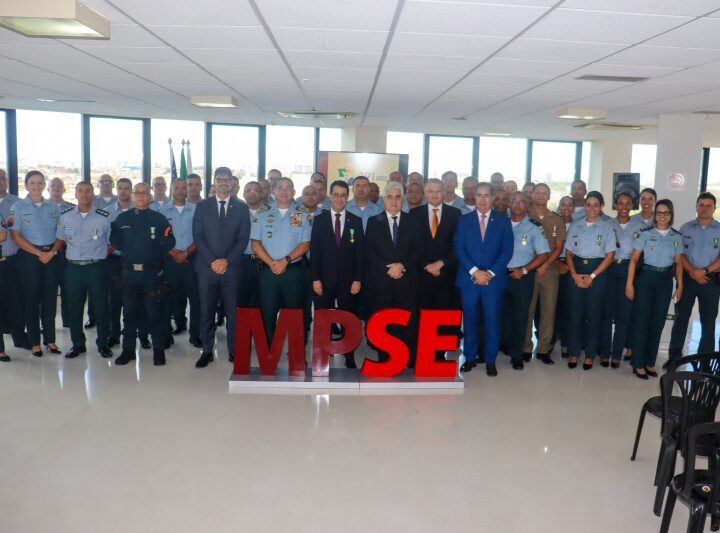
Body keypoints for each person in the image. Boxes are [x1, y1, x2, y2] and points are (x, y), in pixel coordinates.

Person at [110, 183, 176, 367]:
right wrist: (132, 251)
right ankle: (128, 350)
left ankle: (158, 351)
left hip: (151, 275)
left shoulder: (159, 219)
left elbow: (169, 241)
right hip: (129, 274)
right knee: (129, 314)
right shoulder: (122, 218)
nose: (140, 196)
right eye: (137, 193)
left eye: (144, 193)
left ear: (150, 196)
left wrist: (153, 253)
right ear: (132, 196)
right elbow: (115, 240)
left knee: (154, 314)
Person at [193, 167, 251, 368]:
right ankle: (207, 350)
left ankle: (234, 349)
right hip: (206, 269)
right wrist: (213, 261)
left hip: (232, 269)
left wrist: (226, 261)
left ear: (232, 183)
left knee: (233, 313)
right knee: (206, 311)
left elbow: (243, 239)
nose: (223, 182)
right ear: (214, 183)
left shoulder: (241, 208)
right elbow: (198, 236)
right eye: (219, 179)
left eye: (226, 179)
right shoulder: (202, 206)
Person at [455, 182, 513, 376]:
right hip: (469, 280)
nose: (482, 199)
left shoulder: (503, 221)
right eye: (479, 195)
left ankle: (490, 360)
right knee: (470, 321)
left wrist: (489, 273)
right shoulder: (464, 221)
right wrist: (474, 271)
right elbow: (459, 249)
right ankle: (470, 357)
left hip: (493, 281)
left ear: (492, 198)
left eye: (486, 195)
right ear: (474, 197)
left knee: (492, 321)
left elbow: (507, 251)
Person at [364, 182, 421, 366]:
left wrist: (402, 265)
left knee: (408, 323)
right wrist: (388, 268)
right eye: (390, 197)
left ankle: (409, 360)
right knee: (384, 323)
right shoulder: (373, 222)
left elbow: (418, 250)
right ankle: (386, 360)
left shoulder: (413, 221)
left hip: (407, 281)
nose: (394, 201)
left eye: (397, 197)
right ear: (383, 199)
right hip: (382, 282)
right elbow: (369, 251)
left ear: (402, 199)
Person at [251, 177, 311, 351]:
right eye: (281, 188)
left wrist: (285, 261)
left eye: (288, 188)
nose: (284, 192)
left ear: (294, 192)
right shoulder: (262, 213)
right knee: (268, 312)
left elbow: (305, 244)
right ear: (274, 191)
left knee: (295, 313)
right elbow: (255, 244)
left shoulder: (302, 213)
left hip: (293, 271)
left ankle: (296, 352)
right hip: (268, 272)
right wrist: (272, 263)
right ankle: (268, 352)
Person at [626, 200, 683, 379]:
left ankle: (650, 362)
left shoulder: (676, 237)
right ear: (654, 215)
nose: (662, 216)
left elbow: (679, 263)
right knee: (642, 321)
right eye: (659, 212)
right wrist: (629, 283)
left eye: (666, 212)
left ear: (671, 215)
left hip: (665, 280)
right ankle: (638, 364)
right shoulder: (645, 234)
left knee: (658, 323)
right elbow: (634, 260)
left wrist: (680, 285)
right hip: (646, 279)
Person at [55, 182, 112, 359]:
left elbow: (111, 243)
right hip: (73, 269)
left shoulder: (104, 217)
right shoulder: (66, 217)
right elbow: (61, 239)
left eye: (88, 191)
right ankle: (78, 344)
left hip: (96, 267)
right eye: (80, 191)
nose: (84, 194)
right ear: (75, 194)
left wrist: (99, 254)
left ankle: (102, 344)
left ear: (93, 194)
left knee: (101, 307)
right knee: (74, 307)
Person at [8, 171, 63, 357]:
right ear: (26, 185)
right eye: (32, 183)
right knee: (31, 300)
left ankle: (50, 340)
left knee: (50, 299)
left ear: (44, 185)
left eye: (40, 182)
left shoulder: (53, 206)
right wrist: (39, 253)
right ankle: (34, 342)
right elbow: (16, 236)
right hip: (30, 257)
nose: (36, 186)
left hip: (51, 257)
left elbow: (61, 234)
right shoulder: (18, 207)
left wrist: (52, 252)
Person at [310, 180, 364, 368]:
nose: (339, 199)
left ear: (347, 197)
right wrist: (315, 278)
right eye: (336, 195)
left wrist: (358, 278)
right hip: (324, 280)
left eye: (343, 195)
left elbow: (360, 253)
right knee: (323, 319)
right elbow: (315, 252)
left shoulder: (355, 221)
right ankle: (322, 355)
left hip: (348, 281)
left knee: (349, 318)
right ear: (330, 196)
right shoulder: (319, 220)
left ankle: (349, 356)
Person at [410, 178, 461, 361]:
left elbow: (458, 244)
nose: (434, 194)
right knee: (422, 314)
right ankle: (421, 352)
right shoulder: (414, 214)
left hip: (446, 274)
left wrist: (441, 263)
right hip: (421, 274)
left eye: (438, 191)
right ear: (425, 193)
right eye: (430, 191)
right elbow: (411, 245)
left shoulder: (456, 214)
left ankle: (440, 354)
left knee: (443, 314)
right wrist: (428, 265)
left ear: (444, 192)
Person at [667, 192, 720, 366]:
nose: (704, 208)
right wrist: (692, 271)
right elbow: (679, 254)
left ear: (714, 208)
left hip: (710, 280)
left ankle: (705, 362)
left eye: (708, 205)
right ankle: (674, 358)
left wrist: (704, 271)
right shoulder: (686, 228)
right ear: (696, 207)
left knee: (708, 322)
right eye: (701, 205)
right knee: (680, 319)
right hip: (687, 279)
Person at [564, 191, 616, 370]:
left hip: (598, 272)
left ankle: (589, 355)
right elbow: (568, 253)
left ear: (601, 206)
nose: (592, 208)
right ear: (584, 206)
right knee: (574, 314)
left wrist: (592, 276)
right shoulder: (576, 225)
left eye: (596, 205)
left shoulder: (606, 227)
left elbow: (610, 256)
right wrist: (574, 275)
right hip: (576, 270)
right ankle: (573, 352)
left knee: (594, 315)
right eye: (589, 205)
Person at [501, 192, 549, 370]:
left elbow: (543, 254)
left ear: (528, 205)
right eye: (514, 201)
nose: (517, 205)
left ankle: (517, 355)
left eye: (522, 202)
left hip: (521, 277)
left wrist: (524, 270)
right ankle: (502, 346)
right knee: (500, 314)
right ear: (509, 203)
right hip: (499, 275)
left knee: (520, 316)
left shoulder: (535, 227)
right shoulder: (500, 223)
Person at [598, 192, 645, 368]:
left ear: (632, 206)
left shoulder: (640, 227)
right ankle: (605, 353)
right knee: (606, 314)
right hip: (609, 269)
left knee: (623, 316)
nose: (624, 207)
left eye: (628, 203)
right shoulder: (606, 224)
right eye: (620, 203)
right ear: (615, 205)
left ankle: (617, 354)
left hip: (628, 270)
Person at [523, 183, 566, 365]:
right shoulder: (525, 215)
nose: (541, 195)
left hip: (549, 270)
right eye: (538, 192)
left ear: (549, 196)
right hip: (528, 268)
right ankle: (525, 347)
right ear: (532, 195)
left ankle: (543, 349)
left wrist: (546, 264)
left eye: (545, 193)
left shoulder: (556, 218)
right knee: (528, 310)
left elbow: (559, 247)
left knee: (548, 311)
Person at [159, 179, 202, 348]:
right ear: (171, 189)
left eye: (184, 187)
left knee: (196, 299)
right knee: (167, 299)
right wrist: (174, 253)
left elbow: (201, 235)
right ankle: (166, 335)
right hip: (170, 261)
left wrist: (186, 253)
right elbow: (158, 237)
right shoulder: (162, 210)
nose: (180, 190)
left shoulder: (197, 210)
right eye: (177, 187)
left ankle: (195, 334)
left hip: (192, 260)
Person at [106, 178, 137, 348]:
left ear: (131, 191)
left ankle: (136, 334)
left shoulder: (139, 210)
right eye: (120, 188)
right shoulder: (107, 212)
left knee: (134, 299)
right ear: (116, 190)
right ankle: (114, 334)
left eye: (126, 188)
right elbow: (102, 235)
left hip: (134, 260)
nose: (123, 191)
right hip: (114, 260)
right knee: (114, 300)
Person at [48, 177, 75, 328]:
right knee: (48, 290)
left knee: (68, 289)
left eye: (59, 186)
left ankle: (69, 321)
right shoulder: (42, 207)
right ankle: (47, 323)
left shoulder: (73, 208)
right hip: (48, 253)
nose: (56, 188)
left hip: (67, 253)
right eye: (53, 186)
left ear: (64, 189)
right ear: (48, 189)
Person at [555, 196, 575, 358]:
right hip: (553, 264)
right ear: (559, 207)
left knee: (569, 306)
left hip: (572, 266)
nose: (566, 208)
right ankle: (549, 340)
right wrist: (557, 263)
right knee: (553, 306)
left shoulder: (579, 225)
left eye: (569, 205)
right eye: (563, 204)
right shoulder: (553, 223)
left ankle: (565, 343)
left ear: (574, 208)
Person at [238, 181, 263, 308]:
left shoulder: (270, 212)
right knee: (242, 299)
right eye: (248, 191)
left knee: (263, 300)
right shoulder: (236, 212)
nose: (252, 193)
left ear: (262, 194)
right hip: (242, 261)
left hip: (265, 262)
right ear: (243, 194)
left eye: (256, 190)